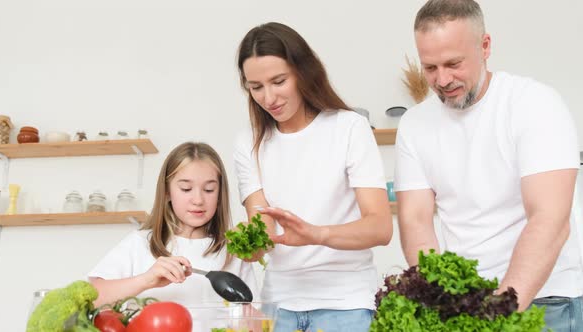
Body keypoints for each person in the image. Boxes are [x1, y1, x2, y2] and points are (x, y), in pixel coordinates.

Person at [395, 0, 583, 330]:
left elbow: (551, 220)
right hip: (468, 302)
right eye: (430, 68)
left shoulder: (534, 105)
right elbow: (415, 220)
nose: (442, 79)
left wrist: (499, 312)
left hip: (546, 299)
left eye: (454, 63)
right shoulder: (414, 124)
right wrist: (440, 300)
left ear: (485, 46)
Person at [234, 22, 393, 332]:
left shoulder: (349, 128)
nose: (269, 98)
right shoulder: (248, 143)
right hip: (278, 306)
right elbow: (263, 231)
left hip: (346, 305)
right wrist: (245, 245)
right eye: (256, 87)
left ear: (302, 72)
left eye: (278, 81)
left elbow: (380, 227)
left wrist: (315, 234)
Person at [89, 142, 257, 308]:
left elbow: (254, 317)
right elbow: (91, 298)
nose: (198, 200)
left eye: (209, 190)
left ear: (220, 194)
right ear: (167, 191)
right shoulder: (140, 243)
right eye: (185, 189)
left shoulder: (232, 252)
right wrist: (146, 280)